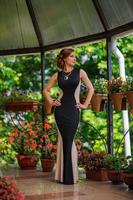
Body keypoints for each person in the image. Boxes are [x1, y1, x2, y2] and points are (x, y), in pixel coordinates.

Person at [43, 48, 94, 185]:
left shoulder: (80, 72)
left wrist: (85, 105)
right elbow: (45, 90)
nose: (74, 58)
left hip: (73, 110)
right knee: (64, 141)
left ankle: (69, 176)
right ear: (65, 58)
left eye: (75, 56)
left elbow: (91, 88)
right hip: (60, 111)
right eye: (71, 56)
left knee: (69, 140)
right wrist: (52, 102)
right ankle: (65, 177)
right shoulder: (57, 75)